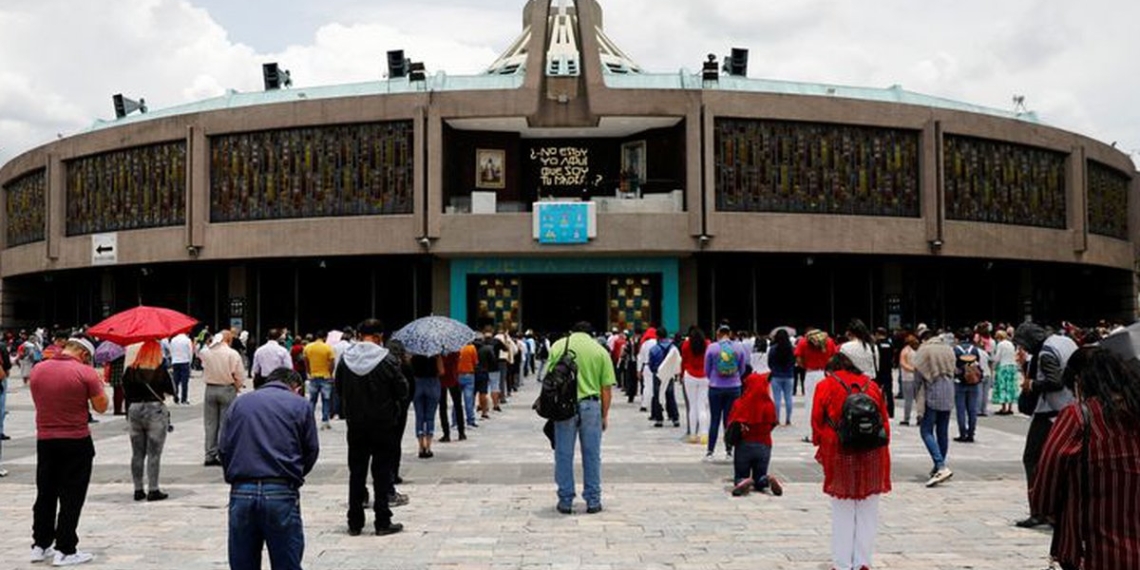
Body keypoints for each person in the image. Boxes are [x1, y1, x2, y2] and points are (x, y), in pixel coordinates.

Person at [1030, 342, 1140, 570]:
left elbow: (1044, 490)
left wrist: (1048, 510)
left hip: (1093, 551)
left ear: (1080, 381)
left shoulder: (1078, 417)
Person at [218, 367, 319, 570]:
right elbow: (311, 450)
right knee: (286, 562)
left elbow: (223, 448)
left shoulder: (240, 403)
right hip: (281, 488)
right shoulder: (300, 405)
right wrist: (294, 473)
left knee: (242, 563)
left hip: (242, 489)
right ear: (296, 388)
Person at [29, 337, 106, 566]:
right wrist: (98, 384)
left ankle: (40, 545)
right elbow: (101, 407)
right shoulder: (86, 373)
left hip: (45, 439)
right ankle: (66, 548)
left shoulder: (38, 370)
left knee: (45, 493)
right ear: (84, 354)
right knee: (71, 495)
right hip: (76, 439)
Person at [811, 353, 892, 570]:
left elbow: (817, 422)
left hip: (840, 452)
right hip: (872, 453)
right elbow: (884, 421)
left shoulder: (826, 385)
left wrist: (821, 445)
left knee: (843, 511)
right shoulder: (871, 385)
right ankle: (863, 562)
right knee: (868, 510)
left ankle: (842, 563)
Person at [335, 318, 408, 536]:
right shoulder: (388, 360)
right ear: (378, 337)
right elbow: (402, 391)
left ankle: (355, 521)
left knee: (356, 472)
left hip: (355, 424)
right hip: (383, 424)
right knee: (381, 472)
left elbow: (339, 388)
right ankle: (382, 521)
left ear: (359, 336)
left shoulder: (345, 360)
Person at [547, 321, 616, 514]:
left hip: (563, 407)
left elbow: (549, 379)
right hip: (591, 405)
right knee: (592, 455)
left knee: (563, 454)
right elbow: (607, 388)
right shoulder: (600, 350)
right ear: (591, 334)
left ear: (572, 332)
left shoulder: (559, 346)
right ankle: (593, 500)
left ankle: (565, 500)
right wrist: (605, 415)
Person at [1014, 322, 1077, 529]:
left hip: (1050, 412)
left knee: (1032, 459)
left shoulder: (1045, 354)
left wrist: (1031, 384)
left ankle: (1039, 510)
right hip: (1070, 408)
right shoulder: (1064, 341)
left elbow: (1055, 381)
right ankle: (1058, 509)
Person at [122, 340, 174, 502]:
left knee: (137, 453)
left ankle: (138, 489)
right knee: (154, 453)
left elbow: (126, 391)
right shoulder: (160, 370)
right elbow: (170, 391)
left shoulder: (131, 370)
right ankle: (153, 489)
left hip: (135, 411)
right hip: (155, 410)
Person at [912, 329, 958, 486]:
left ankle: (940, 465)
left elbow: (918, 376)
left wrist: (915, 396)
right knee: (942, 431)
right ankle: (938, 466)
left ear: (924, 338)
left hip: (931, 392)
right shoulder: (948, 348)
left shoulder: (924, 350)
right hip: (949, 391)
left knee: (926, 430)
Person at [727, 370, 783, 497]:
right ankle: (766, 480)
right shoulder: (769, 404)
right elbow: (773, 423)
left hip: (744, 445)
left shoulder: (740, 403)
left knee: (740, 474)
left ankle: (743, 481)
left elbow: (731, 423)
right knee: (760, 477)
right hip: (764, 445)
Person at [200, 331, 246, 467]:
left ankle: (209, 455)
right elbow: (239, 374)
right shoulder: (232, 354)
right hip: (227, 388)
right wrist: (237, 386)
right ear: (228, 339)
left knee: (210, 424)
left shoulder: (206, 352)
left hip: (210, 388)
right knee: (225, 423)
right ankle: (222, 453)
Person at [704, 324, 747, 462]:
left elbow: (706, 369)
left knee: (714, 419)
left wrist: (714, 379)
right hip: (734, 387)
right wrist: (734, 378)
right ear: (730, 334)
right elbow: (742, 368)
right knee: (729, 420)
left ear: (718, 334)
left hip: (715, 387)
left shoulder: (712, 347)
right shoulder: (739, 347)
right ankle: (729, 451)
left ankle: (710, 452)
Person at [796, 327, 838, 442]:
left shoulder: (803, 342)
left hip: (811, 375)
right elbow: (835, 358)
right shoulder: (829, 341)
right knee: (828, 404)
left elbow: (799, 360)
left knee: (810, 404)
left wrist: (806, 366)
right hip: (826, 375)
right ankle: (828, 433)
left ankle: (810, 434)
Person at [952, 328, 985, 443]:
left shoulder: (955, 349)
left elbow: (953, 366)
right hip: (973, 381)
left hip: (959, 381)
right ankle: (971, 433)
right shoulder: (975, 349)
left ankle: (962, 433)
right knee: (972, 409)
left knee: (961, 409)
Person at [410, 351, 444, 458]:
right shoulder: (435, 353)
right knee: (430, 417)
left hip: (417, 384)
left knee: (419, 416)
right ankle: (428, 446)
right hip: (432, 384)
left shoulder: (414, 353)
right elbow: (442, 371)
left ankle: (421, 446)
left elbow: (410, 371)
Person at [680, 326, 710, 444]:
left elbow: (684, 361)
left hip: (690, 376)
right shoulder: (707, 344)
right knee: (702, 407)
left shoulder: (686, 345)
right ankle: (704, 435)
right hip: (704, 376)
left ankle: (692, 435)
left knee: (692, 407)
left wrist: (682, 375)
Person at [647, 327, 681, 428]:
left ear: (657, 336)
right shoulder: (673, 347)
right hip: (669, 374)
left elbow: (651, 364)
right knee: (670, 396)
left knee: (658, 396)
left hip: (658, 375)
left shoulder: (654, 349)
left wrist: (655, 371)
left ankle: (659, 419)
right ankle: (675, 418)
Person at [303, 330, 336, 430]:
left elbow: (306, 361)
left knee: (312, 400)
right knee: (326, 400)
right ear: (325, 337)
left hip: (313, 376)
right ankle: (325, 421)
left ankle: (309, 420)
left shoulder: (308, 347)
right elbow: (332, 362)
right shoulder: (328, 348)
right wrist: (330, 373)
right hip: (325, 377)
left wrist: (309, 372)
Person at [767, 328, 796, 426]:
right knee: (788, 398)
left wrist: (774, 369)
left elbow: (769, 362)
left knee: (777, 399)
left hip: (776, 376)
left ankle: (777, 419)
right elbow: (793, 362)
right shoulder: (791, 348)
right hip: (789, 375)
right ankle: (788, 420)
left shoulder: (773, 348)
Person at [991, 330, 1019, 415]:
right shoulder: (1011, 344)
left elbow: (997, 357)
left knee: (1002, 386)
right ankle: (1010, 407)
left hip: (1003, 366)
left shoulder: (1000, 344)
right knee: (1011, 387)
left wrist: (993, 366)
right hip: (1012, 366)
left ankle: (1003, 408)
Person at [898, 334, 920, 425]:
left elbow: (902, 363)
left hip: (907, 378)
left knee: (908, 399)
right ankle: (920, 417)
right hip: (918, 378)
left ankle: (906, 419)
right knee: (919, 399)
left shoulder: (905, 351)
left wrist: (912, 370)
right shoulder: (918, 351)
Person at [168, 332, 194, 405]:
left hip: (175, 362)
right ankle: (184, 399)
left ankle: (175, 397)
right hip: (185, 361)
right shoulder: (187, 340)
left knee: (175, 381)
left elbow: (171, 350)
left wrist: (173, 359)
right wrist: (190, 362)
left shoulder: (173, 340)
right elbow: (190, 352)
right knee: (184, 382)